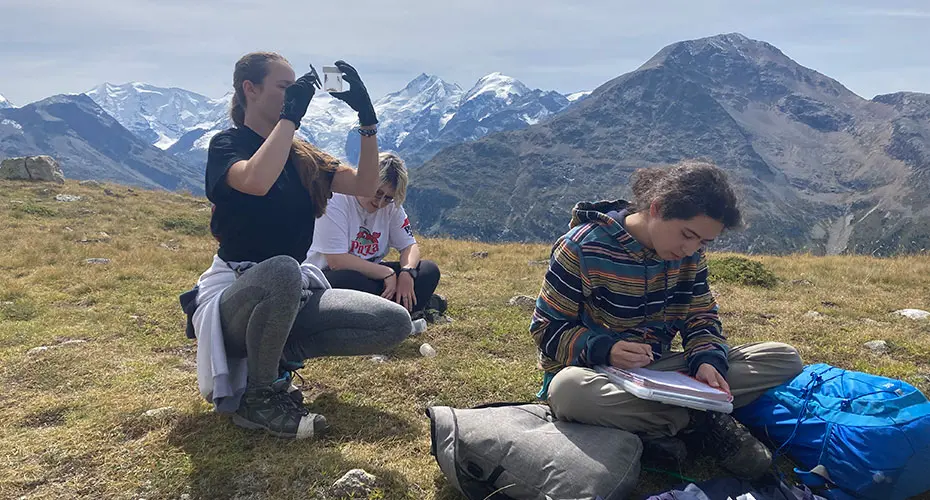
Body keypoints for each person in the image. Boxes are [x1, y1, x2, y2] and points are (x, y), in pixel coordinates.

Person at [180, 52, 411, 440]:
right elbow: (256, 181)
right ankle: (259, 398)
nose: (292, 97)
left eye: (295, 90)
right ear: (249, 90)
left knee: (393, 322)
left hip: (291, 290)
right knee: (284, 268)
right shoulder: (227, 144)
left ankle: (278, 356)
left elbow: (365, 186)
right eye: (284, 88)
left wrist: (367, 120)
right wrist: (290, 119)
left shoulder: (303, 156)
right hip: (238, 296)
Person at [530, 161, 803, 479]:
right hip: (597, 378)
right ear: (657, 208)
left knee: (783, 358)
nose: (692, 249)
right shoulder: (581, 248)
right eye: (687, 235)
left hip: (658, 377)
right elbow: (546, 328)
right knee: (568, 391)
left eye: (703, 242)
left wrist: (707, 361)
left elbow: (700, 316)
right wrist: (607, 349)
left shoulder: (690, 256)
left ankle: (673, 419)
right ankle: (700, 419)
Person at [305, 152, 442, 318]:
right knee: (352, 281)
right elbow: (337, 261)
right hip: (331, 276)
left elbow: (409, 246)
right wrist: (387, 273)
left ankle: (384, 314)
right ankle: (397, 311)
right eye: (377, 193)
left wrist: (407, 273)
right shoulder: (336, 200)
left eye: (388, 198)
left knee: (428, 270)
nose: (380, 202)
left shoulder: (391, 207)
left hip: (374, 275)